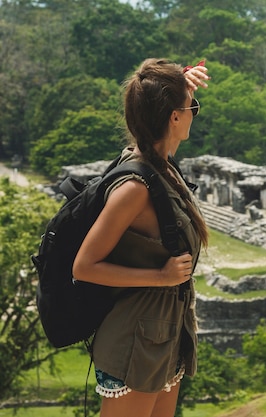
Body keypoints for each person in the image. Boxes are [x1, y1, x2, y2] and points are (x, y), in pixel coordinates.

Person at [72, 58, 211, 417]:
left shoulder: (161, 164)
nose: (193, 113)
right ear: (174, 117)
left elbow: (162, 122)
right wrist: (160, 277)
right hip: (135, 338)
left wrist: (183, 89)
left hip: (164, 331)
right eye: (190, 107)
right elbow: (85, 266)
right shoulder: (135, 187)